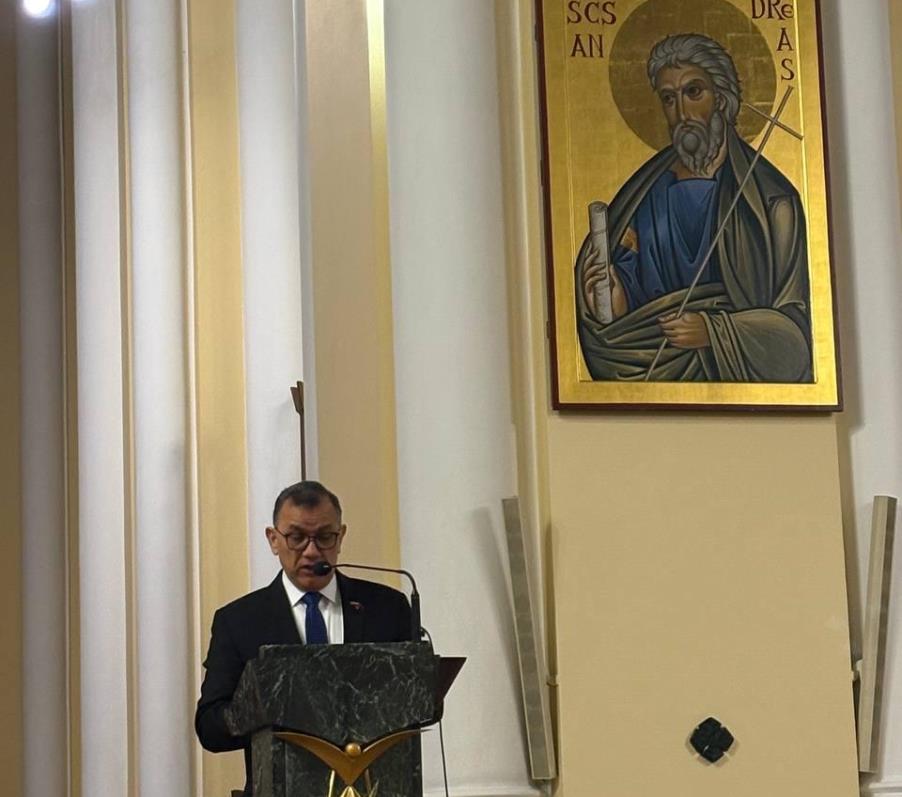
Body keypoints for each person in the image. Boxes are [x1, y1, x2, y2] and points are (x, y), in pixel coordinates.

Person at [575, 32, 813, 383]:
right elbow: (628, 303)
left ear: (722, 98)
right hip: (650, 367)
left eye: (694, 92)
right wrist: (616, 299)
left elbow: (795, 336)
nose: (682, 113)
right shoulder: (646, 194)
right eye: (669, 99)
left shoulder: (772, 202)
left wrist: (714, 331)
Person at [195, 480, 412, 795]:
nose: (311, 551)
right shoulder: (239, 621)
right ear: (273, 540)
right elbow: (209, 728)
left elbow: (420, 705)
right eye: (296, 538)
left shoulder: (387, 608)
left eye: (324, 537)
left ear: (341, 537)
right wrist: (257, 706)